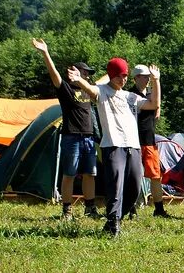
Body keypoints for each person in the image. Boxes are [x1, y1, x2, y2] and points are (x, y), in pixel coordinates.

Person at [68, 58, 161, 236]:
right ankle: (113, 222)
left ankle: (117, 217)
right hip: (113, 145)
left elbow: (153, 104)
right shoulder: (102, 92)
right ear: (111, 75)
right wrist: (79, 79)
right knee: (115, 187)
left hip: (133, 146)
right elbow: (90, 89)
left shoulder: (130, 97)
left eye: (125, 76)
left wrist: (156, 81)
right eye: (119, 76)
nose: (123, 79)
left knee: (134, 187)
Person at [32, 38, 102, 220]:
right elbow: (54, 74)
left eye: (88, 73)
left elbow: (106, 82)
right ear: (75, 73)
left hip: (88, 138)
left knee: (90, 174)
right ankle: (67, 210)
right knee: (69, 174)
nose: (87, 75)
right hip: (71, 137)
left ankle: (90, 209)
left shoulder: (89, 90)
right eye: (85, 72)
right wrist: (46, 53)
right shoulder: (66, 90)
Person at [128, 64, 170, 218]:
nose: (147, 79)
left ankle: (159, 209)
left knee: (155, 176)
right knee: (133, 176)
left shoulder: (151, 94)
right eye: (145, 76)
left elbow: (156, 105)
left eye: (149, 76)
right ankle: (131, 209)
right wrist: (156, 80)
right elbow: (155, 104)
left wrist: (156, 81)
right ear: (136, 77)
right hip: (134, 141)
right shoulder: (130, 95)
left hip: (149, 140)